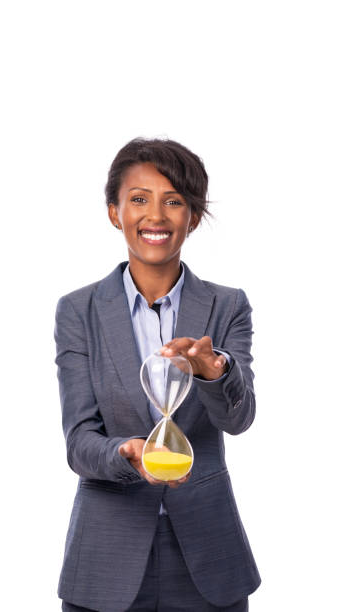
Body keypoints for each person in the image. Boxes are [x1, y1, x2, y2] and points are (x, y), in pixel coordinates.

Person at [54, 137, 261, 611]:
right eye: (139, 199)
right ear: (114, 212)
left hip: (208, 553)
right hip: (107, 552)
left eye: (174, 201)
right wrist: (125, 452)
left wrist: (214, 370)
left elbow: (239, 418)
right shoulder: (78, 310)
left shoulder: (227, 305)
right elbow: (80, 440)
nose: (156, 216)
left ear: (192, 215)